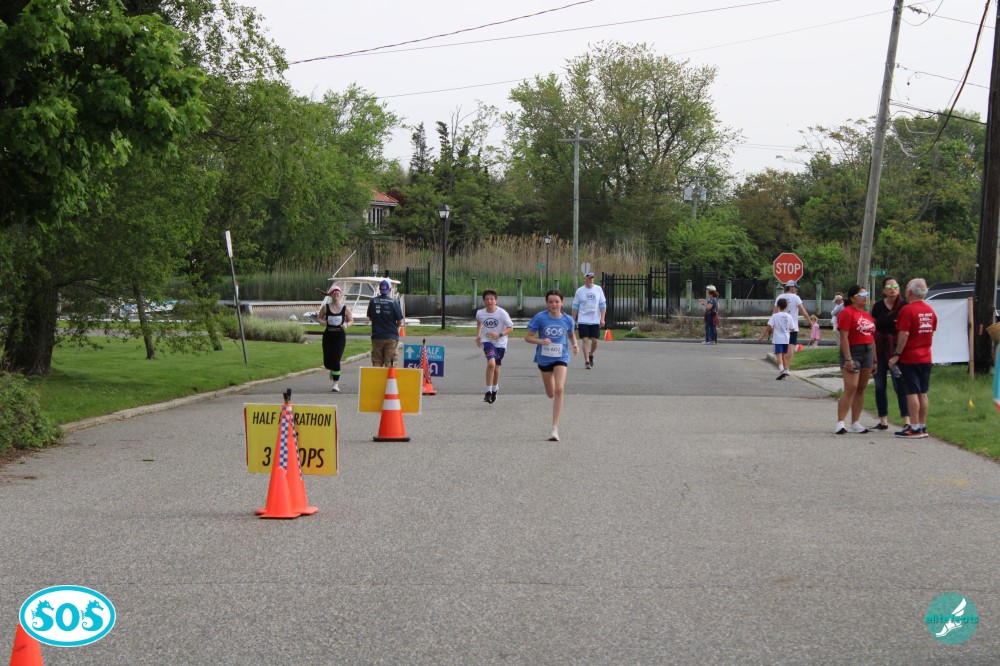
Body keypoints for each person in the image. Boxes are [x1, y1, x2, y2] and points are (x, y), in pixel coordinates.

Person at [525, 290, 579, 441]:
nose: (554, 304)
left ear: (562, 302)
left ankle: (554, 428)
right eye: (550, 302)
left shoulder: (568, 319)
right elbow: (528, 338)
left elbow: (571, 334)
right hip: (544, 358)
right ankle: (553, 390)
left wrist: (575, 345)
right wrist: (541, 341)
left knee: (560, 388)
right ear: (547, 303)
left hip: (561, 356)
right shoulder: (540, 318)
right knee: (551, 393)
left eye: (556, 301)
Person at [889, 278, 937, 439]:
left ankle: (914, 427)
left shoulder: (908, 310)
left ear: (910, 292)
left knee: (912, 392)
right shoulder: (930, 310)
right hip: (926, 356)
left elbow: (904, 334)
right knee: (923, 392)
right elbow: (932, 330)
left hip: (910, 357)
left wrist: (897, 354)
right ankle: (922, 426)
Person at [869, 276, 910, 431]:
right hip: (880, 349)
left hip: (897, 350)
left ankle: (907, 421)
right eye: (889, 287)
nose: (892, 289)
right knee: (880, 386)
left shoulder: (905, 306)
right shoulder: (878, 306)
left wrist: (898, 353)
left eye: (895, 286)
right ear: (884, 290)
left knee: (900, 385)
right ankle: (883, 420)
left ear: (899, 288)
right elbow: (872, 327)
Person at [835, 285, 876, 435]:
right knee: (851, 386)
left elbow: (872, 337)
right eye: (861, 295)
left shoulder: (867, 315)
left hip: (868, 351)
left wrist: (875, 360)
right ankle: (841, 422)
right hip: (853, 351)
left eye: (866, 294)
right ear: (852, 298)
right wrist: (848, 358)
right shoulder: (847, 313)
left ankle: (855, 422)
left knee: (861, 388)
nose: (865, 297)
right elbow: (844, 337)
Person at [475, 289, 514, 404]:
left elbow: (510, 328)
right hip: (487, 341)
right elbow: (479, 322)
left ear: (496, 301)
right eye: (487, 299)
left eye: (492, 299)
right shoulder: (480, 313)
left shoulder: (502, 313)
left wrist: (499, 335)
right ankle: (488, 391)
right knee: (491, 364)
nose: (489, 301)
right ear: (484, 301)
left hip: (500, 342)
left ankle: (495, 388)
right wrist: (478, 335)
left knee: (496, 368)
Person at [318, 284, 353, 392]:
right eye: (334, 292)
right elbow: (319, 318)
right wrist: (322, 322)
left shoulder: (345, 308)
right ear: (330, 295)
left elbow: (351, 320)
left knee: (336, 359)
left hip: (340, 336)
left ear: (340, 294)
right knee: (327, 363)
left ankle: (335, 384)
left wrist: (346, 325)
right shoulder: (326, 307)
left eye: (338, 292)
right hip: (328, 335)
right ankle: (332, 369)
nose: (336, 294)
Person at [572, 271, 606, 368]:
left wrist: (602, 319)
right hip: (583, 319)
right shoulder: (579, 291)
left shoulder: (598, 289)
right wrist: (573, 320)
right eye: (589, 278)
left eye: (592, 278)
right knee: (585, 340)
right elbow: (575, 307)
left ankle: (590, 354)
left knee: (595, 340)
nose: (591, 280)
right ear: (585, 279)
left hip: (595, 319)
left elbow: (603, 305)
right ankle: (587, 361)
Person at [367, 279, 404, 367]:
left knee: (377, 361)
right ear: (390, 290)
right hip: (391, 336)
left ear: (380, 289)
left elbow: (370, 318)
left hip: (377, 336)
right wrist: (395, 326)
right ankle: (390, 376)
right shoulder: (394, 302)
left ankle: (377, 376)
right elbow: (400, 321)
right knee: (390, 363)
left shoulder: (373, 301)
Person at [773, 280, 810, 367]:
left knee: (781, 349)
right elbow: (803, 312)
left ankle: (782, 367)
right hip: (792, 327)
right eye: (795, 287)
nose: (796, 289)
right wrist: (810, 322)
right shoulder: (796, 297)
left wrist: (773, 325)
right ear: (791, 287)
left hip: (780, 327)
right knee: (790, 348)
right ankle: (786, 367)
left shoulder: (779, 297)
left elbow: (774, 312)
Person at [760, 297, 795, 379]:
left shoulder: (775, 316)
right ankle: (785, 370)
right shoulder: (789, 316)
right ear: (786, 306)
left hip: (778, 339)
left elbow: (769, 327)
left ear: (778, 306)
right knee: (783, 355)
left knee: (778, 355)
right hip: (786, 338)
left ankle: (781, 370)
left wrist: (762, 336)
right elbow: (792, 328)